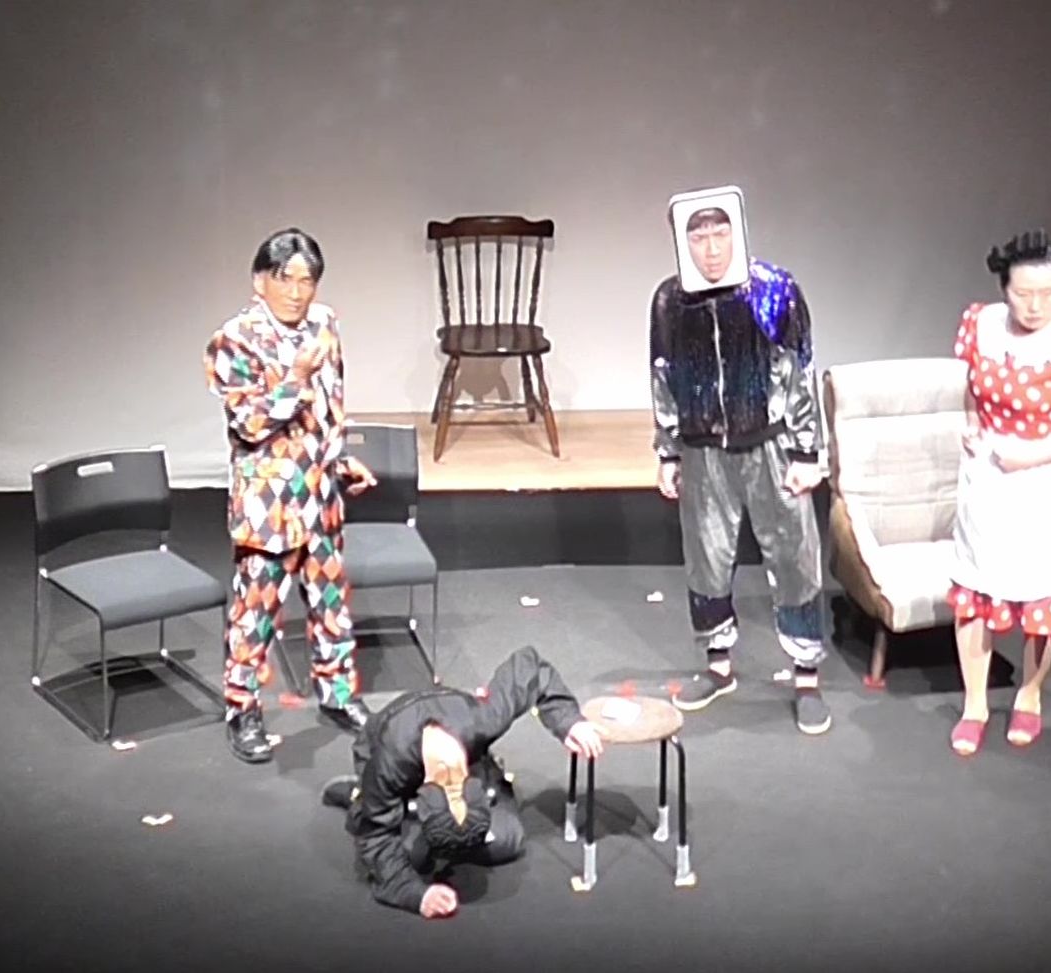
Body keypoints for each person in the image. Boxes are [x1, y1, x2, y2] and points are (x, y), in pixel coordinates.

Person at [650, 193, 831, 735]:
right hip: (703, 448)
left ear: (737, 232)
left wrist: (807, 452)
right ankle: (718, 665)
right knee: (706, 557)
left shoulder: (773, 289)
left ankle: (806, 675)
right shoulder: (671, 300)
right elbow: (663, 374)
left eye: (720, 234)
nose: (710, 248)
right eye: (698, 237)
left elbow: (799, 369)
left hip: (770, 444)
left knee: (794, 555)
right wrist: (668, 449)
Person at [204, 228, 376, 763]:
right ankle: (242, 709)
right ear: (260, 280)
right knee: (256, 609)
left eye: (307, 280)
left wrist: (338, 458)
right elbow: (249, 423)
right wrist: (296, 376)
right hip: (269, 500)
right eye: (286, 279)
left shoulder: (324, 324)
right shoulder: (234, 340)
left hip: (320, 493)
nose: (298, 292)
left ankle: (338, 693)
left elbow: (330, 405)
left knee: (330, 604)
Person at [947, 230, 1051, 754]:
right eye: (1024, 294)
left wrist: (1030, 455)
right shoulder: (981, 325)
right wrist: (973, 426)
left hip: (1049, 483)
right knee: (976, 595)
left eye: (1047, 292)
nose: (1036, 305)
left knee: (1043, 600)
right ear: (1005, 289)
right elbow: (974, 390)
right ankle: (975, 703)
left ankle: (1029, 693)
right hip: (991, 478)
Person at [320, 646, 606, 918]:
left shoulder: (482, 720)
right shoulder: (386, 765)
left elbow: (529, 668)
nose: (451, 779)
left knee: (510, 839)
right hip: (390, 765)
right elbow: (377, 838)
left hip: (460, 738)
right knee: (412, 858)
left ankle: (444, 833)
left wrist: (569, 720)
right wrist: (415, 894)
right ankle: (364, 800)